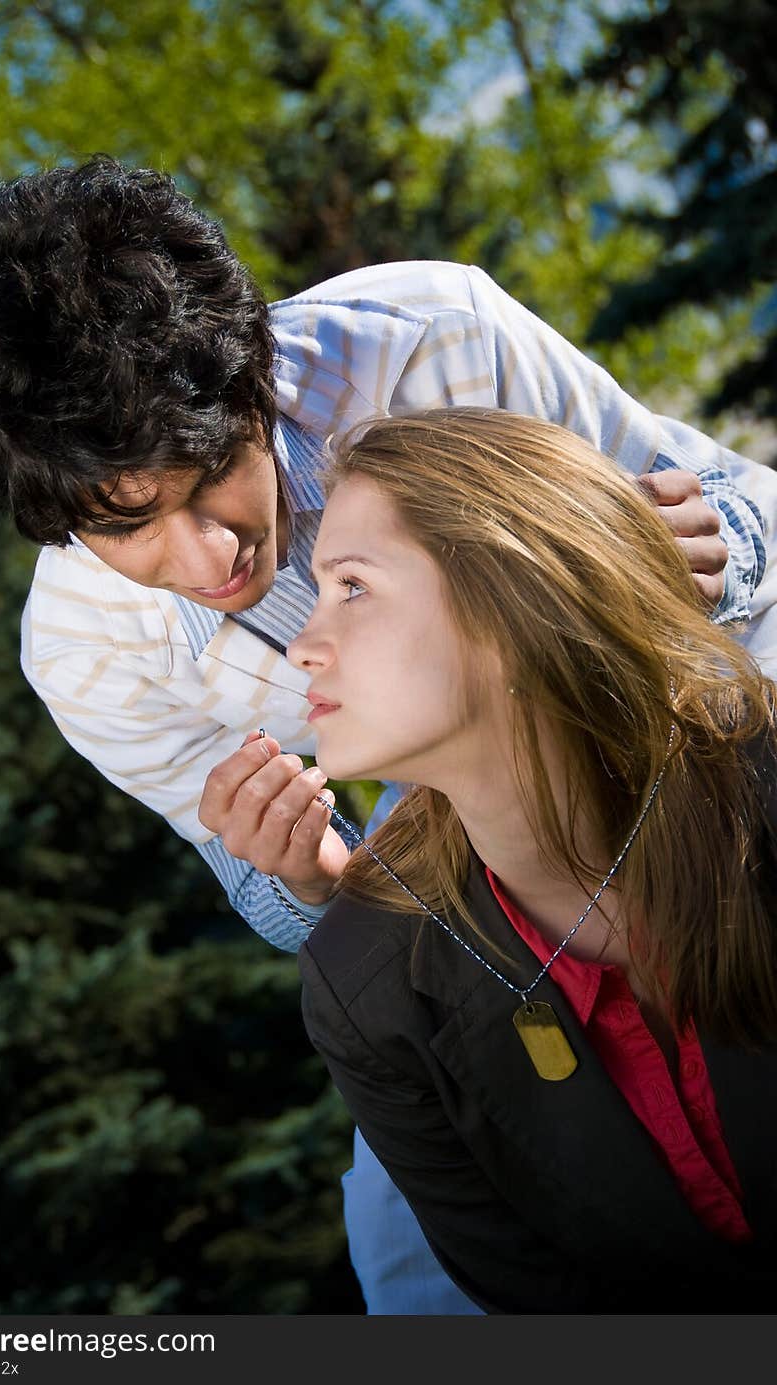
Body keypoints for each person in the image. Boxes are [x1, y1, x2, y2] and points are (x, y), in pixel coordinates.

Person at [0, 155, 777, 1314]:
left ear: (256, 366)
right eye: (130, 527)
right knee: (410, 1256)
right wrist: (310, 879)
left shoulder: (431, 338)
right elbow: (271, 895)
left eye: (215, 472)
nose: (213, 557)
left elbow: (733, 504)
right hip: (479, 898)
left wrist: (721, 536)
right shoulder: (81, 654)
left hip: (700, 757)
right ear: (55, 519)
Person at [293, 406, 777, 1313]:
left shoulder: (766, 787)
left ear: (517, 593)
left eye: (352, 586)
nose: (303, 645)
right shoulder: (366, 987)